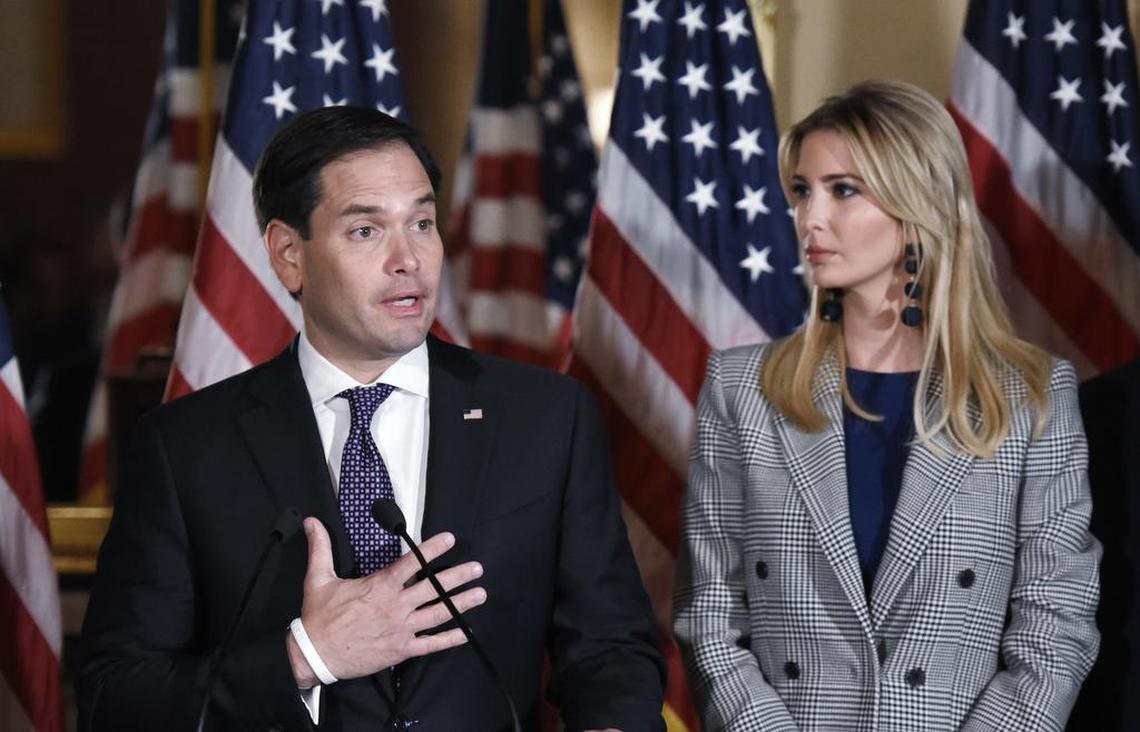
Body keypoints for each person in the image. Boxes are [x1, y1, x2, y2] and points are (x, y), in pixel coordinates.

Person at [80, 107, 665, 731]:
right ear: (288, 255)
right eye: (366, 231)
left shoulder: (546, 418)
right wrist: (308, 656)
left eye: (422, 223)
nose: (407, 259)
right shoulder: (188, 447)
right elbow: (116, 697)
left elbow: (610, 649)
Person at [673, 81, 1100, 731]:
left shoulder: (1031, 397)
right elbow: (711, 620)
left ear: (918, 204)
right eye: (801, 190)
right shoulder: (742, 391)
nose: (810, 218)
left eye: (843, 190)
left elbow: (1056, 627)